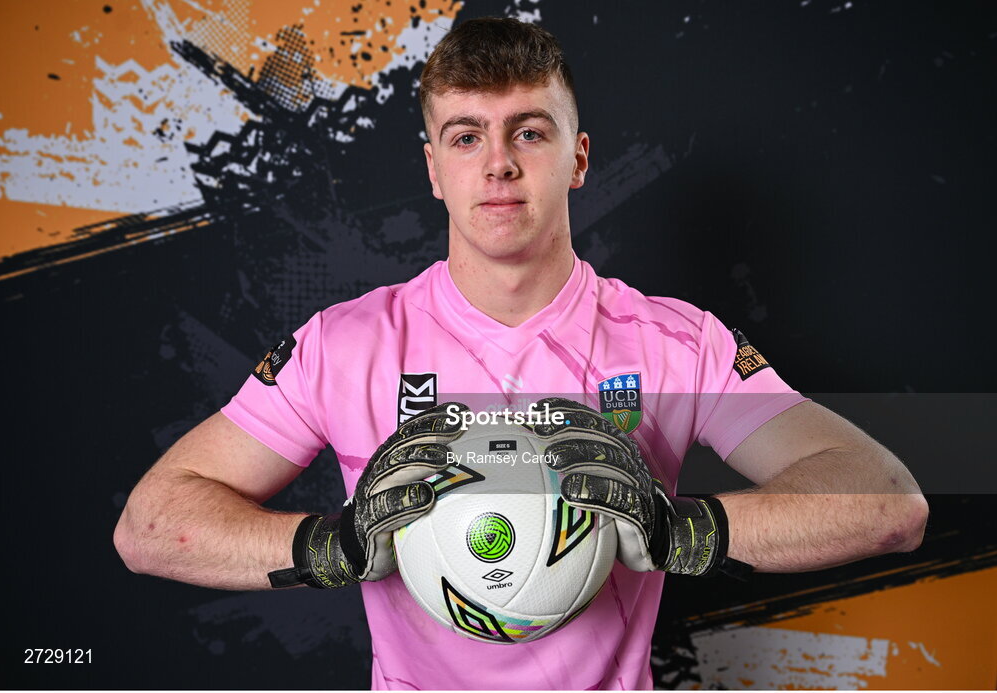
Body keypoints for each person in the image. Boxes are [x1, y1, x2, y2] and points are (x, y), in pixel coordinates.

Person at [114, 17, 928, 690]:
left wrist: (684, 530)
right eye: (466, 136)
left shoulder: (674, 343)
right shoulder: (347, 343)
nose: (498, 162)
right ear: (434, 170)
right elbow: (150, 526)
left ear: (577, 157)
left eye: (528, 131)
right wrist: (330, 544)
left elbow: (889, 504)